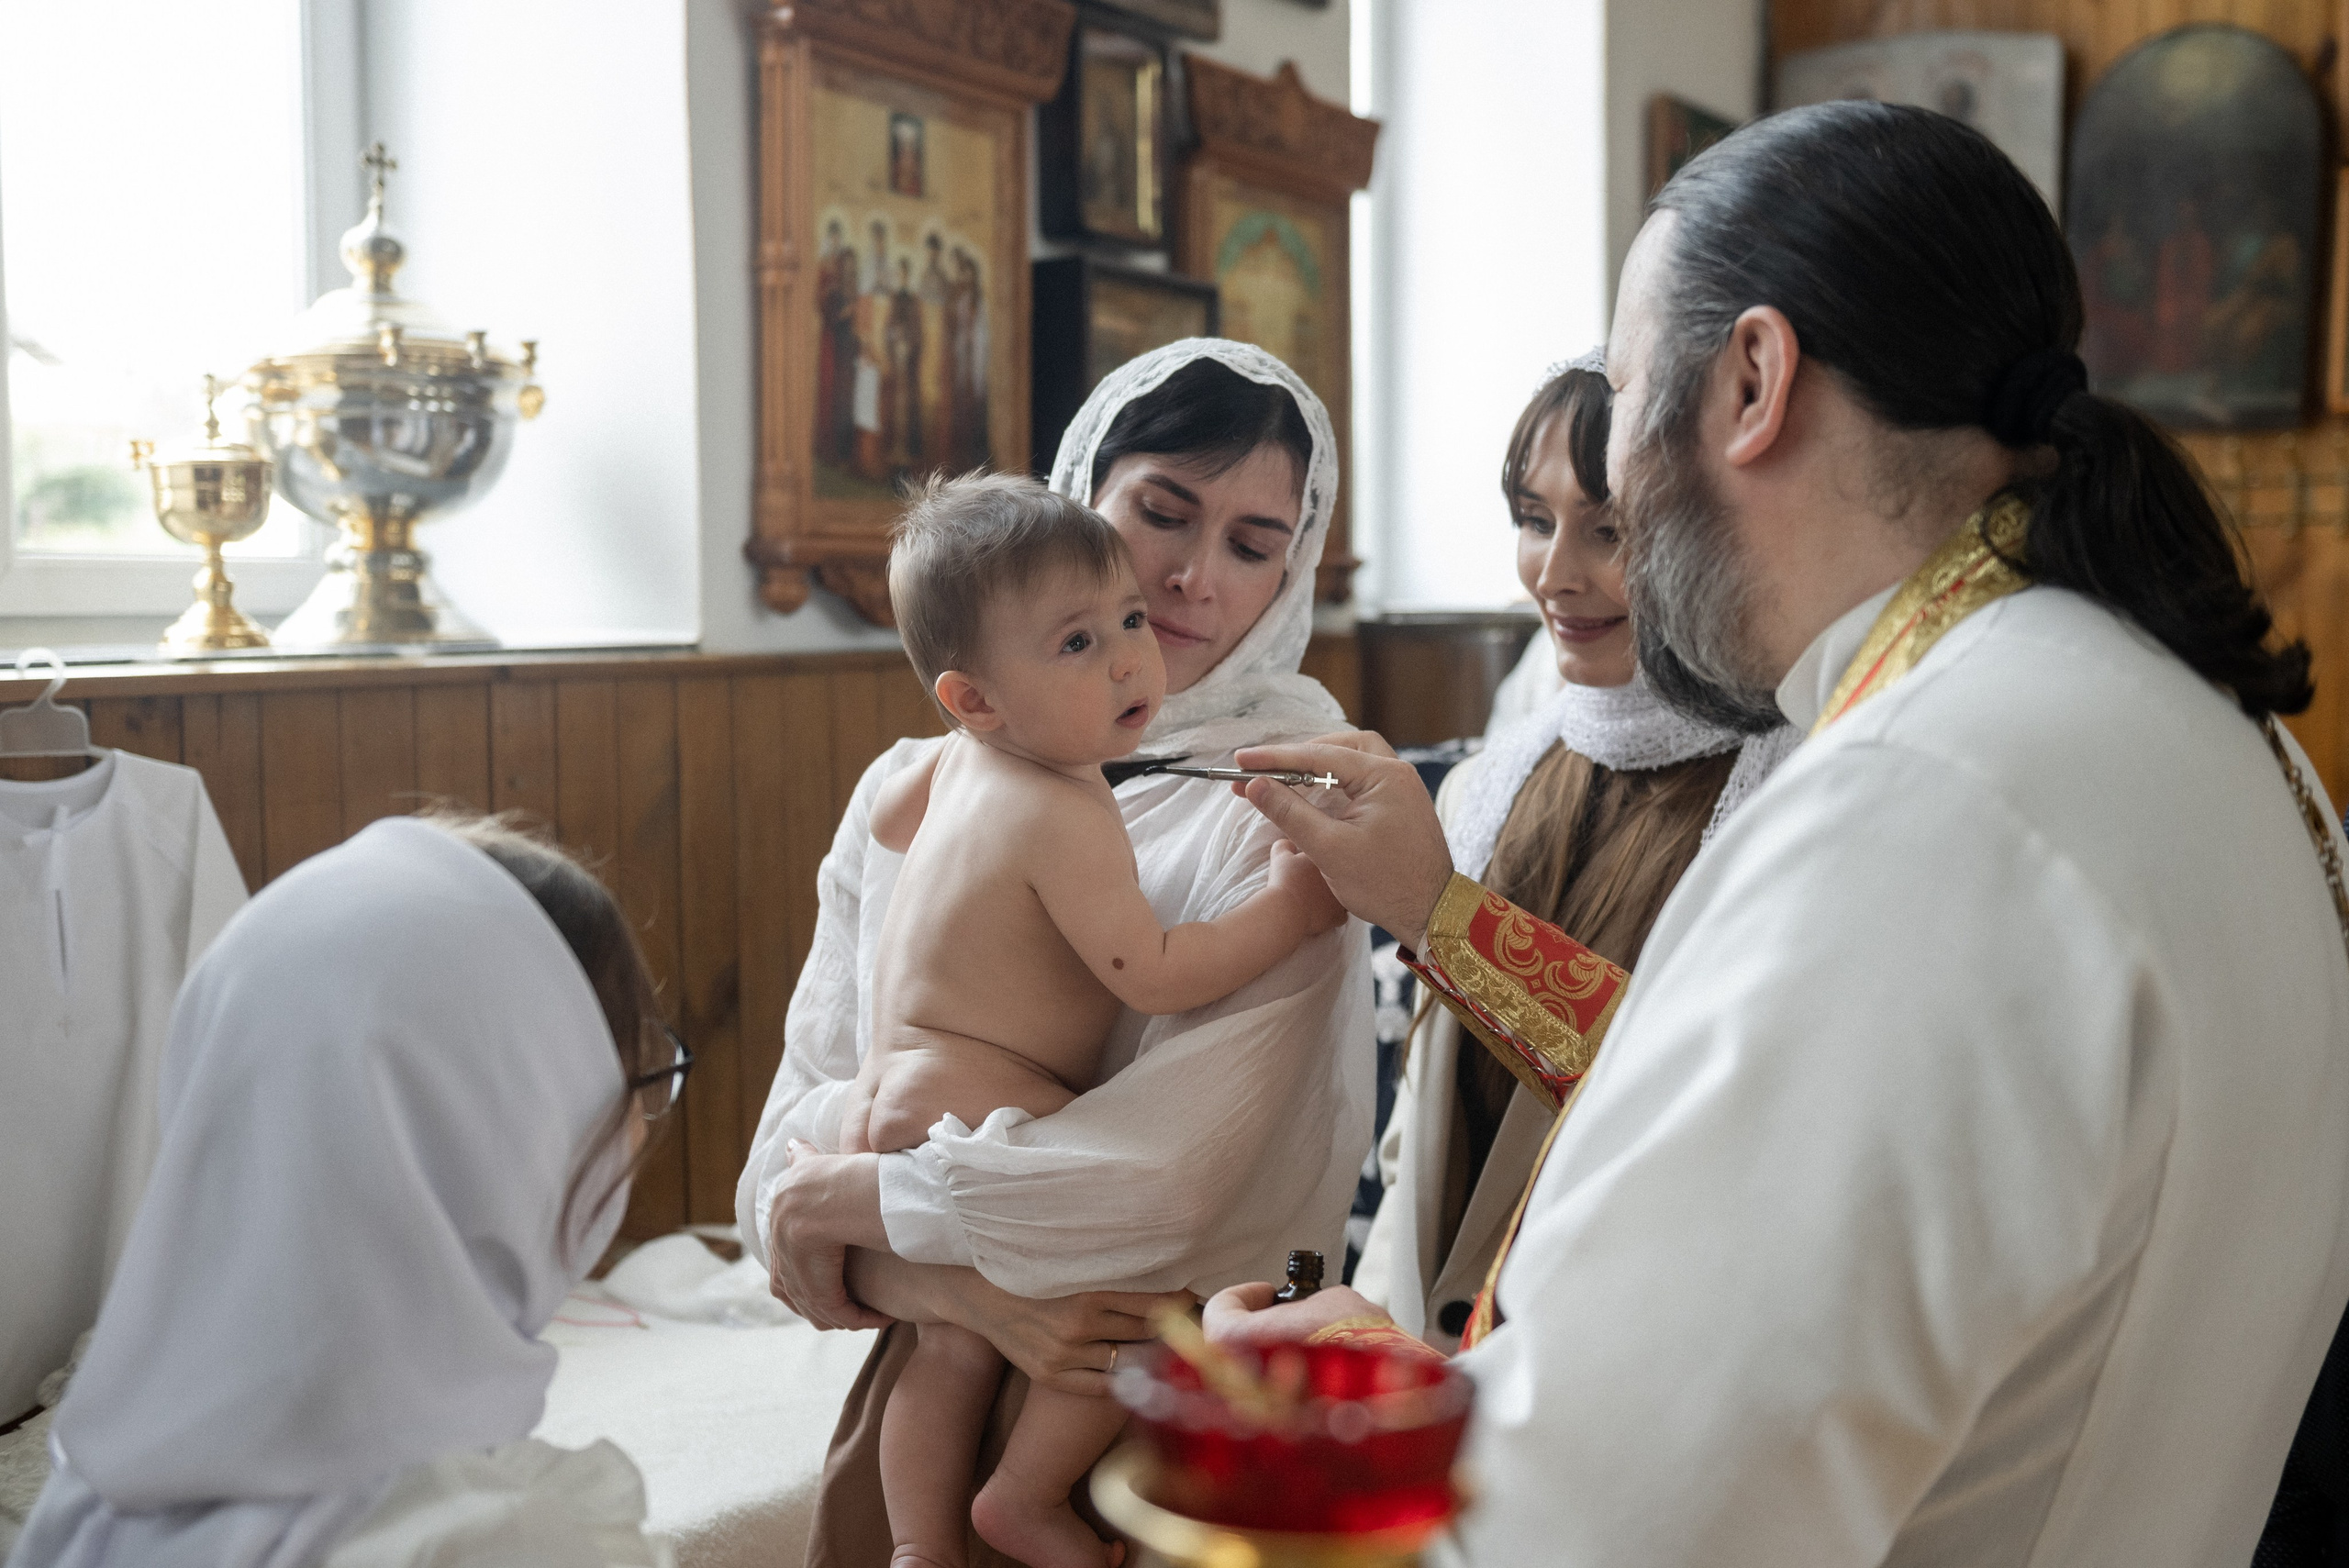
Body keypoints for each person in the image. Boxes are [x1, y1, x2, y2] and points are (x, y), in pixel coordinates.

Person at [1208, 102, 2349, 1565]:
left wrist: (1321, 1442)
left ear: (1752, 379)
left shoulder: (1925, 801)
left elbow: (1597, 1537)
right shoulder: (2201, 719)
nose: (1599, 510)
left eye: (1623, 403)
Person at [736, 339, 1374, 1567]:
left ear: (1292, 574)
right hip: (931, 1378)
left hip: (1151, 1407)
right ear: (1083, 498)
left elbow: (1171, 1183)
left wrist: (865, 1209)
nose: (1191, 581)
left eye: (1251, 545)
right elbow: (779, 1170)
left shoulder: (1291, 811)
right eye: (1161, 513)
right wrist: (954, 1292)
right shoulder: (914, 787)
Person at [846, 474, 1344, 1568]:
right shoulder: (1063, 805)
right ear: (975, 697)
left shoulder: (952, 762)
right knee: (1122, 1306)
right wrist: (1287, 908)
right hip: (987, 1092)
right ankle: (1023, 1495)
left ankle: (918, 1544)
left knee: (948, 1344)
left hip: (898, 1087)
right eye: (1078, 643)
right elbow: (1155, 970)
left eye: (1126, 622)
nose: (1131, 656)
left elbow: (888, 821)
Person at [9, 813, 688, 1568]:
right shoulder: (492, 1542)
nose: (636, 1129)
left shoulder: (92, 1489)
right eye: (633, 1080)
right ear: (504, 1137)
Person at [1352, 353, 1793, 1352]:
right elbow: (1422, 1139)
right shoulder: (1489, 784)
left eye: (1610, 530)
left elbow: (1690, 1109)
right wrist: (1374, 1339)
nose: (1555, 572)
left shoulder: (1781, 792)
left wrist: (1440, 917)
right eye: (1533, 517)